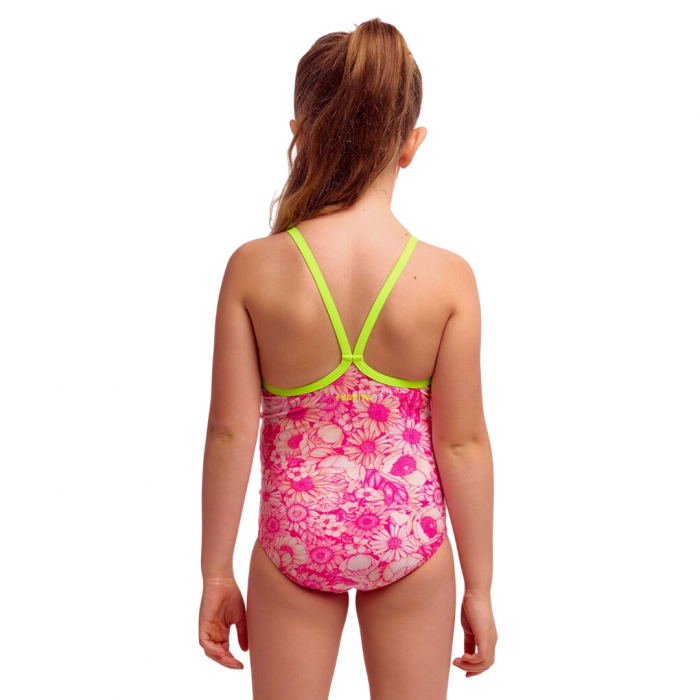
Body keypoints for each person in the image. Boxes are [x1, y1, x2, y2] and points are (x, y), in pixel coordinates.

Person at [198, 18, 497, 699]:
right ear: (411, 144)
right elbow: (463, 443)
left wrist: (216, 573)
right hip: (410, 539)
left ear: (300, 134)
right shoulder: (447, 279)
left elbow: (229, 432)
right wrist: (479, 588)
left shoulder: (254, 269)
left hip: (293, 539)